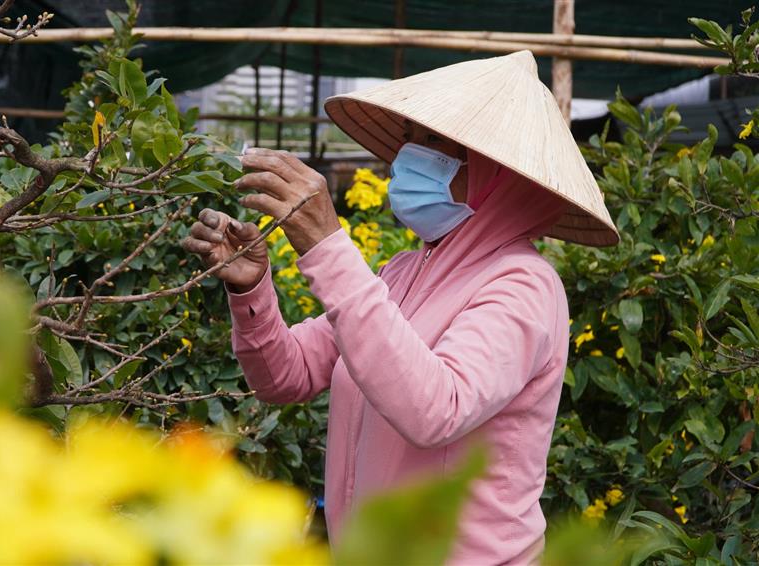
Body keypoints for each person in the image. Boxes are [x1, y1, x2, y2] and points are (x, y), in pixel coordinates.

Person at [182, 49, 619, 564]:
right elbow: (287, 376)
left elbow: (436, 408)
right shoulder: (402, 274)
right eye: (411, 136)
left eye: (433, 141)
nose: (408, 154)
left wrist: (329, 247)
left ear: (497, 175)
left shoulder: (523, 285)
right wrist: (250, 288)